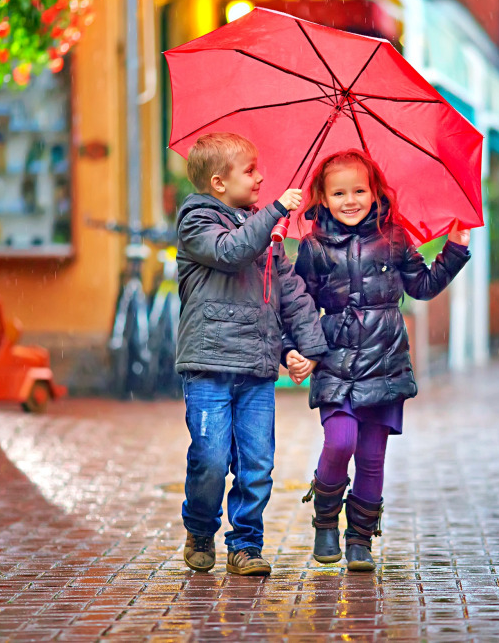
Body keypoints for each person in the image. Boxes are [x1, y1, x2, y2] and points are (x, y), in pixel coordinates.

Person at [285, 150, 471, 572]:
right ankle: (327, 521)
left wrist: (454, 251)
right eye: (338, 193)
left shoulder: (395, 237)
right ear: (323, 197)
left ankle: (360, 540)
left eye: (359, 190)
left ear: (375, 193)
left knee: (372, 456)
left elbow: (421, 286)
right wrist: (294, 348)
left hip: (385, 359)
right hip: (335, 358)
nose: (350, 200)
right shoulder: (313, 247)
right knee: (340, 441)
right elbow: (298, 304)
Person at [175, 132, 328, 576]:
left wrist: (306, 349)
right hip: (209, 365)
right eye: (251, 171)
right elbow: (231, 251)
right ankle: (201, 528)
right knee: (210, 456)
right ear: (219, 183)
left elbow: (292, 295)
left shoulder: (266, 231)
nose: (261, 178)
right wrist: (278, 211)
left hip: (257, 368)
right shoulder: (196, 220)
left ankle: (246, 544)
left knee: (257, 463)